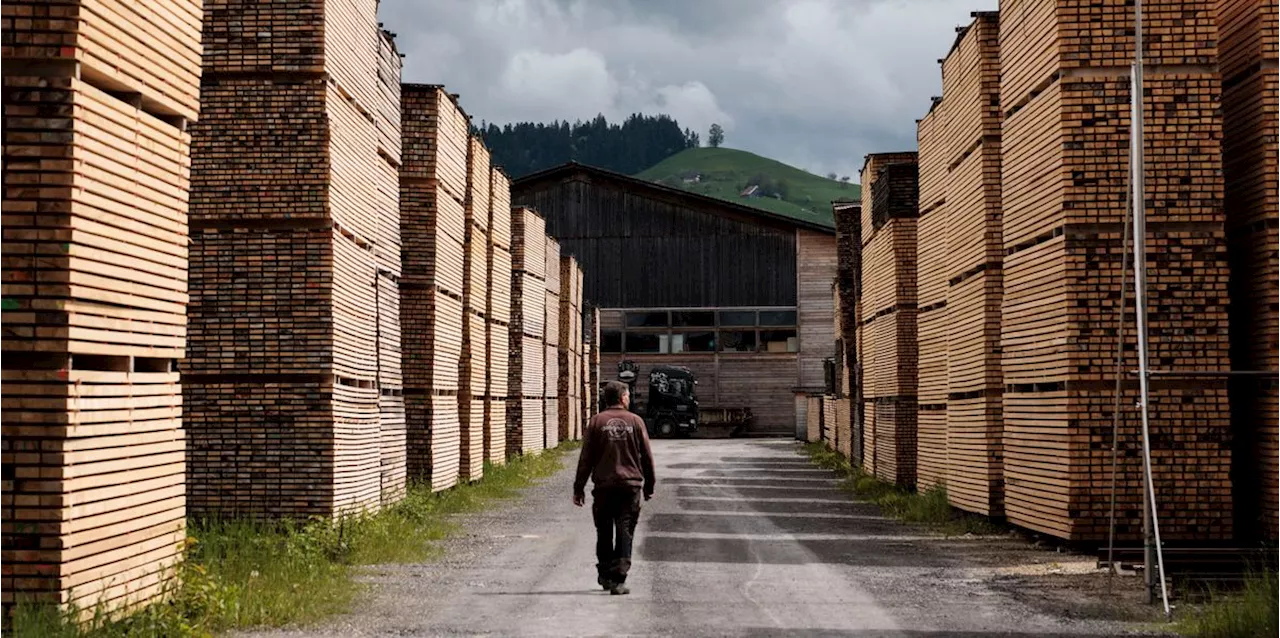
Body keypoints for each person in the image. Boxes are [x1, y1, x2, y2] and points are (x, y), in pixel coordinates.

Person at [573, 380, 656, 596]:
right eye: (627, 395)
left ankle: (605, 574)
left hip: (603, 487)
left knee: (604, 530)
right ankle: (619, 579)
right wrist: (650, 485)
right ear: (621, 398)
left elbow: (586, 459)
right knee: (624, 531)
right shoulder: (636, 422)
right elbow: (647, 456)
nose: (629, 399)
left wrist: (578, 487)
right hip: (630, 487)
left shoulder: (597, 422)